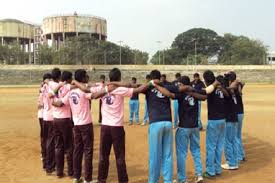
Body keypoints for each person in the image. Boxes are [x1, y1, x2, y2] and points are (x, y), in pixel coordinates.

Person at [53, 69, 108, 183]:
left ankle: (76, 177)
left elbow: (59, 103)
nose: (87, 77)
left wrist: (50, 98)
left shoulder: (71, 92)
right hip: (86, 125)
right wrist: (105, 89)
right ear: (82, 78)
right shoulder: (83, 91)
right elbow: (94, 95)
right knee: (87, 151)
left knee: (77, 151)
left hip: (76, 125)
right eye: (86, 76)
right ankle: (87, 179)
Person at [154, 75, 206, 183]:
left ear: (182, 84)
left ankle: (182, 179)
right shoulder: (195, 94)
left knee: (181, 153)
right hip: (195, 127)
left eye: (180, 84)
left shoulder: (181, 94)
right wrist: (192, 92)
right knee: (195, 150)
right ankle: (199, 174)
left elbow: (171, 95)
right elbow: (204, 96)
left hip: (183, 127)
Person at [202, 70, 229, 178]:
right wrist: (220, 86)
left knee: (211, 147)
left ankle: (210, 171)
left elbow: (206, 91)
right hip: (222, 120)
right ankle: (217, 169)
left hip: (214, 120)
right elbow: (227, 95)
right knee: (219, 146)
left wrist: (215, 84)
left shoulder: (212, 88)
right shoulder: (219, 88)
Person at [51, 71, 74, 178]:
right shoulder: (68, 88)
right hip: (64, 120)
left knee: (58, 146)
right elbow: (60, 104)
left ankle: (59, 172)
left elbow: (52, 98)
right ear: (68, 79)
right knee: (69, 147)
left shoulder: (55, 86)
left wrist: (53, 102)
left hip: (55, 119)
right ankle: (71, 172)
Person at [45, 68, 62, 174]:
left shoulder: (47, 84)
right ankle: (50, 166)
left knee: (50, 141)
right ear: (59, 76)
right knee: (54, 143)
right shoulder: (55, 85)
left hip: (47, 116)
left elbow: (47, 81)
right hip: (53, 116)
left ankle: (49, 164)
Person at [221, 74, 239, 170]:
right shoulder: (233, 91)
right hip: (234, 118)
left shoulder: (227, 92)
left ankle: (231, 163)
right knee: (232, 141)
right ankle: (234, 161)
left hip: (229, 119)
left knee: (227, 141)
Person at [39, 73, 52, 170]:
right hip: (50, 116)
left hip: (42, 115)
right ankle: (49, 164)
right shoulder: (49, 88)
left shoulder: (42, 89)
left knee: (44, 138)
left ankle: (44, 157)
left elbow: (39, 104)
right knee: (50, 141)